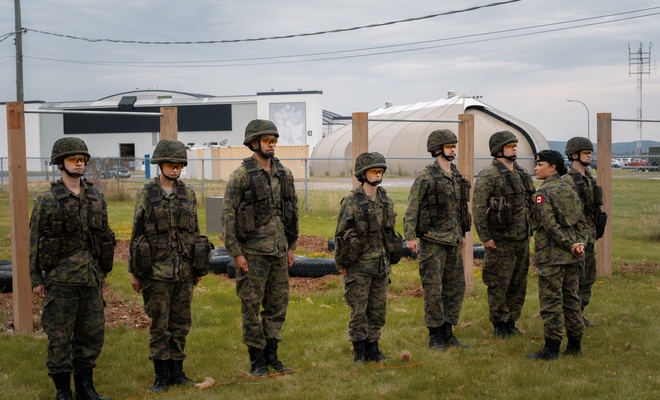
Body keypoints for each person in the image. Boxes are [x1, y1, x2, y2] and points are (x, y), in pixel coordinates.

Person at [29, 137, 115, 400]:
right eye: (73, 160)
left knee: (91, 337)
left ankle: (86, 388)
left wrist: (101, 273)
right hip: (61, 280)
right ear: (60, 163)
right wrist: (36, 278)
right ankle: (63, 391)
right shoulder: (47, 200)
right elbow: (34, 241)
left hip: (90, 278)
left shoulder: (96, 196)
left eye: (82, 160)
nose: (79, 164)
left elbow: (103, 238)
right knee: (60, 338)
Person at [128, 140, 211, 392]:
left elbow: (195, 232)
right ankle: (160, 376)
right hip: (156, 271)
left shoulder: (188, 193)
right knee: (160, 325)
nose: (175, 170)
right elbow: (136, 234)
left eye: (179, 166)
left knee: (181, 323)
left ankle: (177, 371)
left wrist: (197, 268)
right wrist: (135, 273)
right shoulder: (146, 194)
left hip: (184, 270)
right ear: (160, 165)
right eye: (170, 165)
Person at [222, 119, 299, 375]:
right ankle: (256, 360)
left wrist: (291, 246)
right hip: (252, 253)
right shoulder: (241, 176)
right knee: (251, 307)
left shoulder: (284, 174)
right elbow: (228, 216)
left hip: (278, 251)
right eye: (267, 141)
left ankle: (272, 355)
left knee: (278, 305)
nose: (272, 145)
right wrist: (236, 253)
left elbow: (292, 211)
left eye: (274, 141)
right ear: (254, 143)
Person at [403, 129, 472, 350]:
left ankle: (448, 331)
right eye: (449, 146)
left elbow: (460, 208)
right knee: (434, 289)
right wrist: (410, 237)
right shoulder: (426, 176)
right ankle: (435, 335)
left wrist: (461, 234)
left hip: (452, 240)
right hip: (433, 241)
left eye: (454, 146)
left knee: (455, 287)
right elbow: (412, 206)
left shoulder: (456, 175)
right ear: (437, 149)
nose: (453, 149)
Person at [334, 152, 402, 363]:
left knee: (378, 310)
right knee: (359, 310)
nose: (378, 174)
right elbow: (341, 234)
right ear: (363, 174)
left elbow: (388, 232)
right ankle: (359, 351)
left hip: (381, 265)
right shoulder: (352, 202)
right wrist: (341, 263)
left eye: (380, 171)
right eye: (374, 171)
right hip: (359, 266)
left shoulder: (385, 200)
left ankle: (374, 348)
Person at [472, 131, 536, 338]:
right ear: (498, 149)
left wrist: (529, 229)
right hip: (500, 240)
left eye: (515, 145)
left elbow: (529, 203)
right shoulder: (489, 175)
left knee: (518, 283)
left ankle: (512, 322)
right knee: (499, 283)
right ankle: (500, 324)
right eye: (510, 146)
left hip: (521, 238)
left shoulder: (521, 172)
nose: (515, 148)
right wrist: (485, 237)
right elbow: (479, 207)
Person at [528, 150, 588, 361]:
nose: (536, 168)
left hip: (552, 257)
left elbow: (549, 225)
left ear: (552, 167)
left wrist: (570, 244)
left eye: (540, 164)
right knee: (572, 300)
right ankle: (574, 345)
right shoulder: (569, 189)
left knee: (552, 303)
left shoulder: (542, 194)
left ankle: (551, 348)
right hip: (572, 257)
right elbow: (582, 221)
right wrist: (580, 243)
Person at [562, 137, 605, 327]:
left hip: (589, 236)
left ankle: (580, 314)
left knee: (588, 278)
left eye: (590, 153)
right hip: (575, 238)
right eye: (586, 153)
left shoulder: (589, 179)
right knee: (574, 280)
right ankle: (570, 317)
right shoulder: (567, 181)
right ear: (574, 155)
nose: (589, 156)